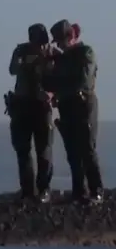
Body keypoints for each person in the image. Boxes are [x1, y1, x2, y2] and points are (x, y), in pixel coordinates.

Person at [49, 19, 103, 203]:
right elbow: (53, 82)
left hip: (83, 104)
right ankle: (79, 191)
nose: (59, 46)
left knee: (87, 149)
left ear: (70, 37)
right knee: (72, 151)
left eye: (61, 41)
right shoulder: (63, 59)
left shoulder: (85, 53)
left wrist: (61, 87)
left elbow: (83, 81)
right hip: (67, 105)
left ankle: (96, 191)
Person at [6, 23, 55, 202]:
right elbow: (13, 69)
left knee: (44, 150)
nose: (41, 46)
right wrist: (29, 61)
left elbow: (59, 77)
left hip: (42, 107)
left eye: (43, 43)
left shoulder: (52, 54)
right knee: (23, 150)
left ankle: (44, 189)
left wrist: (50, 93)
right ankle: (28, 190)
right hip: (22, 106)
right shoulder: (21, 52)